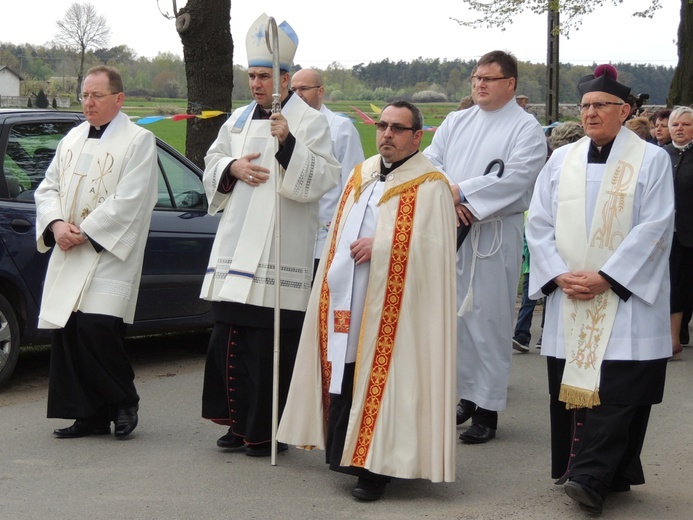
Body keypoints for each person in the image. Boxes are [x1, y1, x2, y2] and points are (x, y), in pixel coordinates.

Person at [277, 101, 457, 501]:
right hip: (350, 296)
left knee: (382, 378)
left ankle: (375, 470)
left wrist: (386, 244)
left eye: (397, 128)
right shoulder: (362, 173)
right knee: (346, 370)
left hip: (397, 310)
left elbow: (437, 249)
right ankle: (346, 454)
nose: (387, 134)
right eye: (382, 126)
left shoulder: (431, 185)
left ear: (417, 136)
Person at [526, 64, 674, 515]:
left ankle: (590, 479)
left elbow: (656, 226)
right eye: (585, 106)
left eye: (599, 106)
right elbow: (538, 222)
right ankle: (607, 472)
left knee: (620, 391)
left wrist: (607, 276)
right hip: (572, 294)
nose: (589, 113)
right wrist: (557, 274)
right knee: (575, 386)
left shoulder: (651, 159)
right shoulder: (560, 160)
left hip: (622, 296)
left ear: (624, 110)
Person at [199, 14, 340, 458]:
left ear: (285, 79)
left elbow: (324, 179)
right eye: (252, 75)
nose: (256, 83)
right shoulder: (238, 120)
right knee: (227, 336)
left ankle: (264, 429)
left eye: (264, 76)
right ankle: (236, 424)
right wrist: (231, 168)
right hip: (236, 243)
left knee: (265, 344)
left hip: (280, 248)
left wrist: (290, 144)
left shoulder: (311, 122)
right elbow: (212, 161)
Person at [423, 50, 547, 443]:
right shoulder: (457, 120)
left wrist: (465, 195)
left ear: (509, 84)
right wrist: (451, 198)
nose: (479, 84)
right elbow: (430, 161)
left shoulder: (525, 128)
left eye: (488, 79)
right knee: (454, 319)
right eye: (476, 78)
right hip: (450, 228)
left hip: (493, 235)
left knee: (488, 320)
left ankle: (489, 409)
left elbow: (519, 177)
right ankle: (465, 396)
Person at [35, 65, 159, 439]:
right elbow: (48, 187)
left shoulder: (138, 140)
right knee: (71, 330)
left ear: (118, 99)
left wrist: (86, 232)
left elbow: (132, 199)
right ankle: (88, 414)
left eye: (96, 95)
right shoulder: (71, 139)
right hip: (70, 249)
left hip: (108, 253)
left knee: (98, 328)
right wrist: (57, 224)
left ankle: (124, 401)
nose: (88, 102)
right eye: (85, 95)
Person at [512, 122, 586, 353]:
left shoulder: (553, 167)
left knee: (540, 292)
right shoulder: (552, 168)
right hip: (545, 244)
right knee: (540, 292)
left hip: (545, 245)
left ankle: (531, 333)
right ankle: (534, 333)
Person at [290, 68, 365, 269]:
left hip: (324, 234)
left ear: (320, 91)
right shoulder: (286, 126)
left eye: (304, 89)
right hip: (291, 232)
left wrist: (346, 226)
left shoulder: (341, 128)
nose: (298, 95)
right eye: (294, 89)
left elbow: (354, 182)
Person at [664, 106, 693, 360]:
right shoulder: (660, 155)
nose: (680, 129)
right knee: (673, 286)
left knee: (684, 286)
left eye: (686, 124)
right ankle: (673, 339)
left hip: (689, 231)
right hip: (665, 234)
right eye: (676, 125)